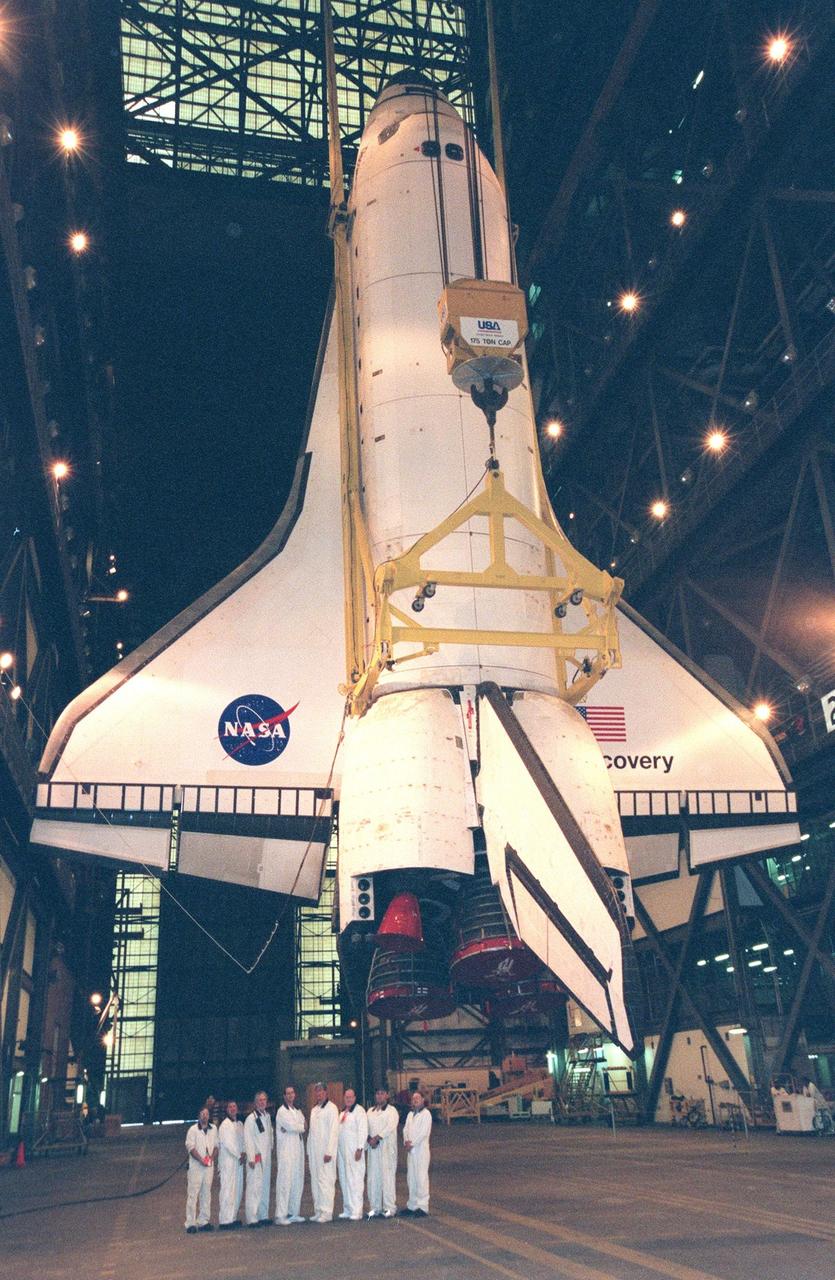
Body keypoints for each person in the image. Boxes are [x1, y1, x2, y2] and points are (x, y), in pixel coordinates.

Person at [307, 1081, 339, 1223]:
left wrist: (329, 1151)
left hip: (326, 1152)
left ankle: (326, 1212)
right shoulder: (314, 1110)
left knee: (326, 1181)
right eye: (317, 1091)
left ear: (326, 1092)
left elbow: (334, 1132)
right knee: (316, 1181)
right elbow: (311, 1133)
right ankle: (318, 1209)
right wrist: (309, 1151)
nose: (319, 1094)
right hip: (314, 1152)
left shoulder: (332, 1109)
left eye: (321, 1091)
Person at [274, 1084, 306, 1225]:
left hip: (297, 1149)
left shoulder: (297, 1110)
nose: (290, 1095)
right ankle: (280, 1215)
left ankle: (293, 1212)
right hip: (286, 1151)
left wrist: (298, 1127)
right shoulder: (282, 1111)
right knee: (285, 1182)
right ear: (284, 1096)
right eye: (287, 1093)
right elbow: (293, 1126)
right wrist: (299, 1127)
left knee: (297, 1181)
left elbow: (305, 1123)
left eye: (292, 1093)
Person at [366, 1085, 399, 1219]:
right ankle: (375, 1207)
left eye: (382, 1093)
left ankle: (389, 1208)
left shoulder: (392, 1111)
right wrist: (369, 1140)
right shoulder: (370, 1112)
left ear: (387, 1095)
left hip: (386, 1149)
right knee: (373, 1179)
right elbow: (365, 1128)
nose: (379, 1096)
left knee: (387, 1179)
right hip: (373, 1149)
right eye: (377, 1093)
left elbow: (390, 1126)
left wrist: (377, 1137)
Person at [184, 1106, 217, 1234]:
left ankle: (203, 1221)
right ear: (199, 1116)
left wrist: (211, 1158)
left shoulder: (213, 1129)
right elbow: (190, 1147)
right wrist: (201, 1159)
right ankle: (190, 1223)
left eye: (207, 1114)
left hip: (209, 1166)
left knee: (206, 1193)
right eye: (202, 1114)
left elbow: (216, 1146)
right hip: (196, 1167)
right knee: (193, 1194)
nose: (205, 1116)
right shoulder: (192, 1130)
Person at [337, 1087, 368, 1220]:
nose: (348, 1099)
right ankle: (348, 1208)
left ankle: (357, 1210)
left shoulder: (359, 1111)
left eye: (351, 1097)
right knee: (345, 1180)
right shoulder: (343, 1113)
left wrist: (360, 1148)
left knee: (355, 1180)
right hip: (343, 1152)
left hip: (354, 1151)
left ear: (355, 1098)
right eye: (346, 1097)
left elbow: (363, 1130)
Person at [243, 1090, 272, 1227]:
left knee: (264, 1187)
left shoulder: (266, 1116)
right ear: (255, 1103)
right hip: (256, 1159)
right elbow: (248, 1139)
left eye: (264, 1100)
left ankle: (263, 1215)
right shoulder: (251, 1119)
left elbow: (269, 1137)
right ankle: (252, 1218)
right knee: (254, 1188)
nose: (262, 1102)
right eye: (260, 1100)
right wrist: (251, 1158)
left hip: (266, 1158)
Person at [402, 1090, 432, 1217]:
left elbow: (423, 1133)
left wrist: (412, 1143)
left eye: (417, 1098)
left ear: (423, 1100)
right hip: (411, 1151)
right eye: (413, 1099)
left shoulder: (426, 1114)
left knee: (421, 1178)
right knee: (411, 1178)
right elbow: (405, 1130)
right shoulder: (410, 1115)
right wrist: (406, 1141)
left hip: (421, 1150)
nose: (415, 1100)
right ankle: (412, 1205)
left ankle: (422, 1206)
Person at [217, 1100, 245, 1229]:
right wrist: (239, 1155)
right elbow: (228, 1144)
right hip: (228, 1162)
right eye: (230, 1107)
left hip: (238, 1162)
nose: (233, 1109)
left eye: (234, 1106)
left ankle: (232, 1217)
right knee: (227, 1190)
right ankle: (225, 1220)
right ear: (227, 1109)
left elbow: (243, 1141)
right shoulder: (225, 1125)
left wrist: (244, 1153)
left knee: (237, 1190)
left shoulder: (239, 1124)